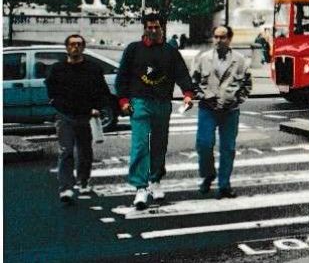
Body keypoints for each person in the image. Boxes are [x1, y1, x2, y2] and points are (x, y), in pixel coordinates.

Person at [117, 13, 196, 210]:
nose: (153, 30)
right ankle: (140, 187)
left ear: (162, 28)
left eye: (156, 27)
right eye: (149, 27)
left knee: (159, 145)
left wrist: (187, 94)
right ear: (144, 28)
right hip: (140, 102)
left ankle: (155, 180)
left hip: (162, 102)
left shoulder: (170, 51)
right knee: (140, 145)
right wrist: (124, 100)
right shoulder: (133, 49)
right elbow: (123, 76)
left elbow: (181, 73)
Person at [45, 34, 112, 204]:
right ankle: (66, 188)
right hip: (65, 115)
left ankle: (83, 181)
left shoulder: (93, 69)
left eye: (79, 44)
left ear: (83, 47)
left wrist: (97, 107)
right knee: (66, 151)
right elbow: (51, 90)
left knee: (85, 151)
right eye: (72, 44)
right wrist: (57, 104)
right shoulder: (57, 69)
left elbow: (103, 92)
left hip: (86, 115)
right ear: (67, 47)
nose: (75, 47)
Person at [191, 25, 251, 199]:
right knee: (204, 144)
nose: (218, 40)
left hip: (230, 111)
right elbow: (194, 82)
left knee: (228, 148)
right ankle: (208, 174)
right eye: (216, 37)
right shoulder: (203, 58)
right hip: (207, 109)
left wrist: (236, 100)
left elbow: (247, 84)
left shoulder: (240, 60)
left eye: (222, 37)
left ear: (229, 39)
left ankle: (224, 184)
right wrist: (203, 96)